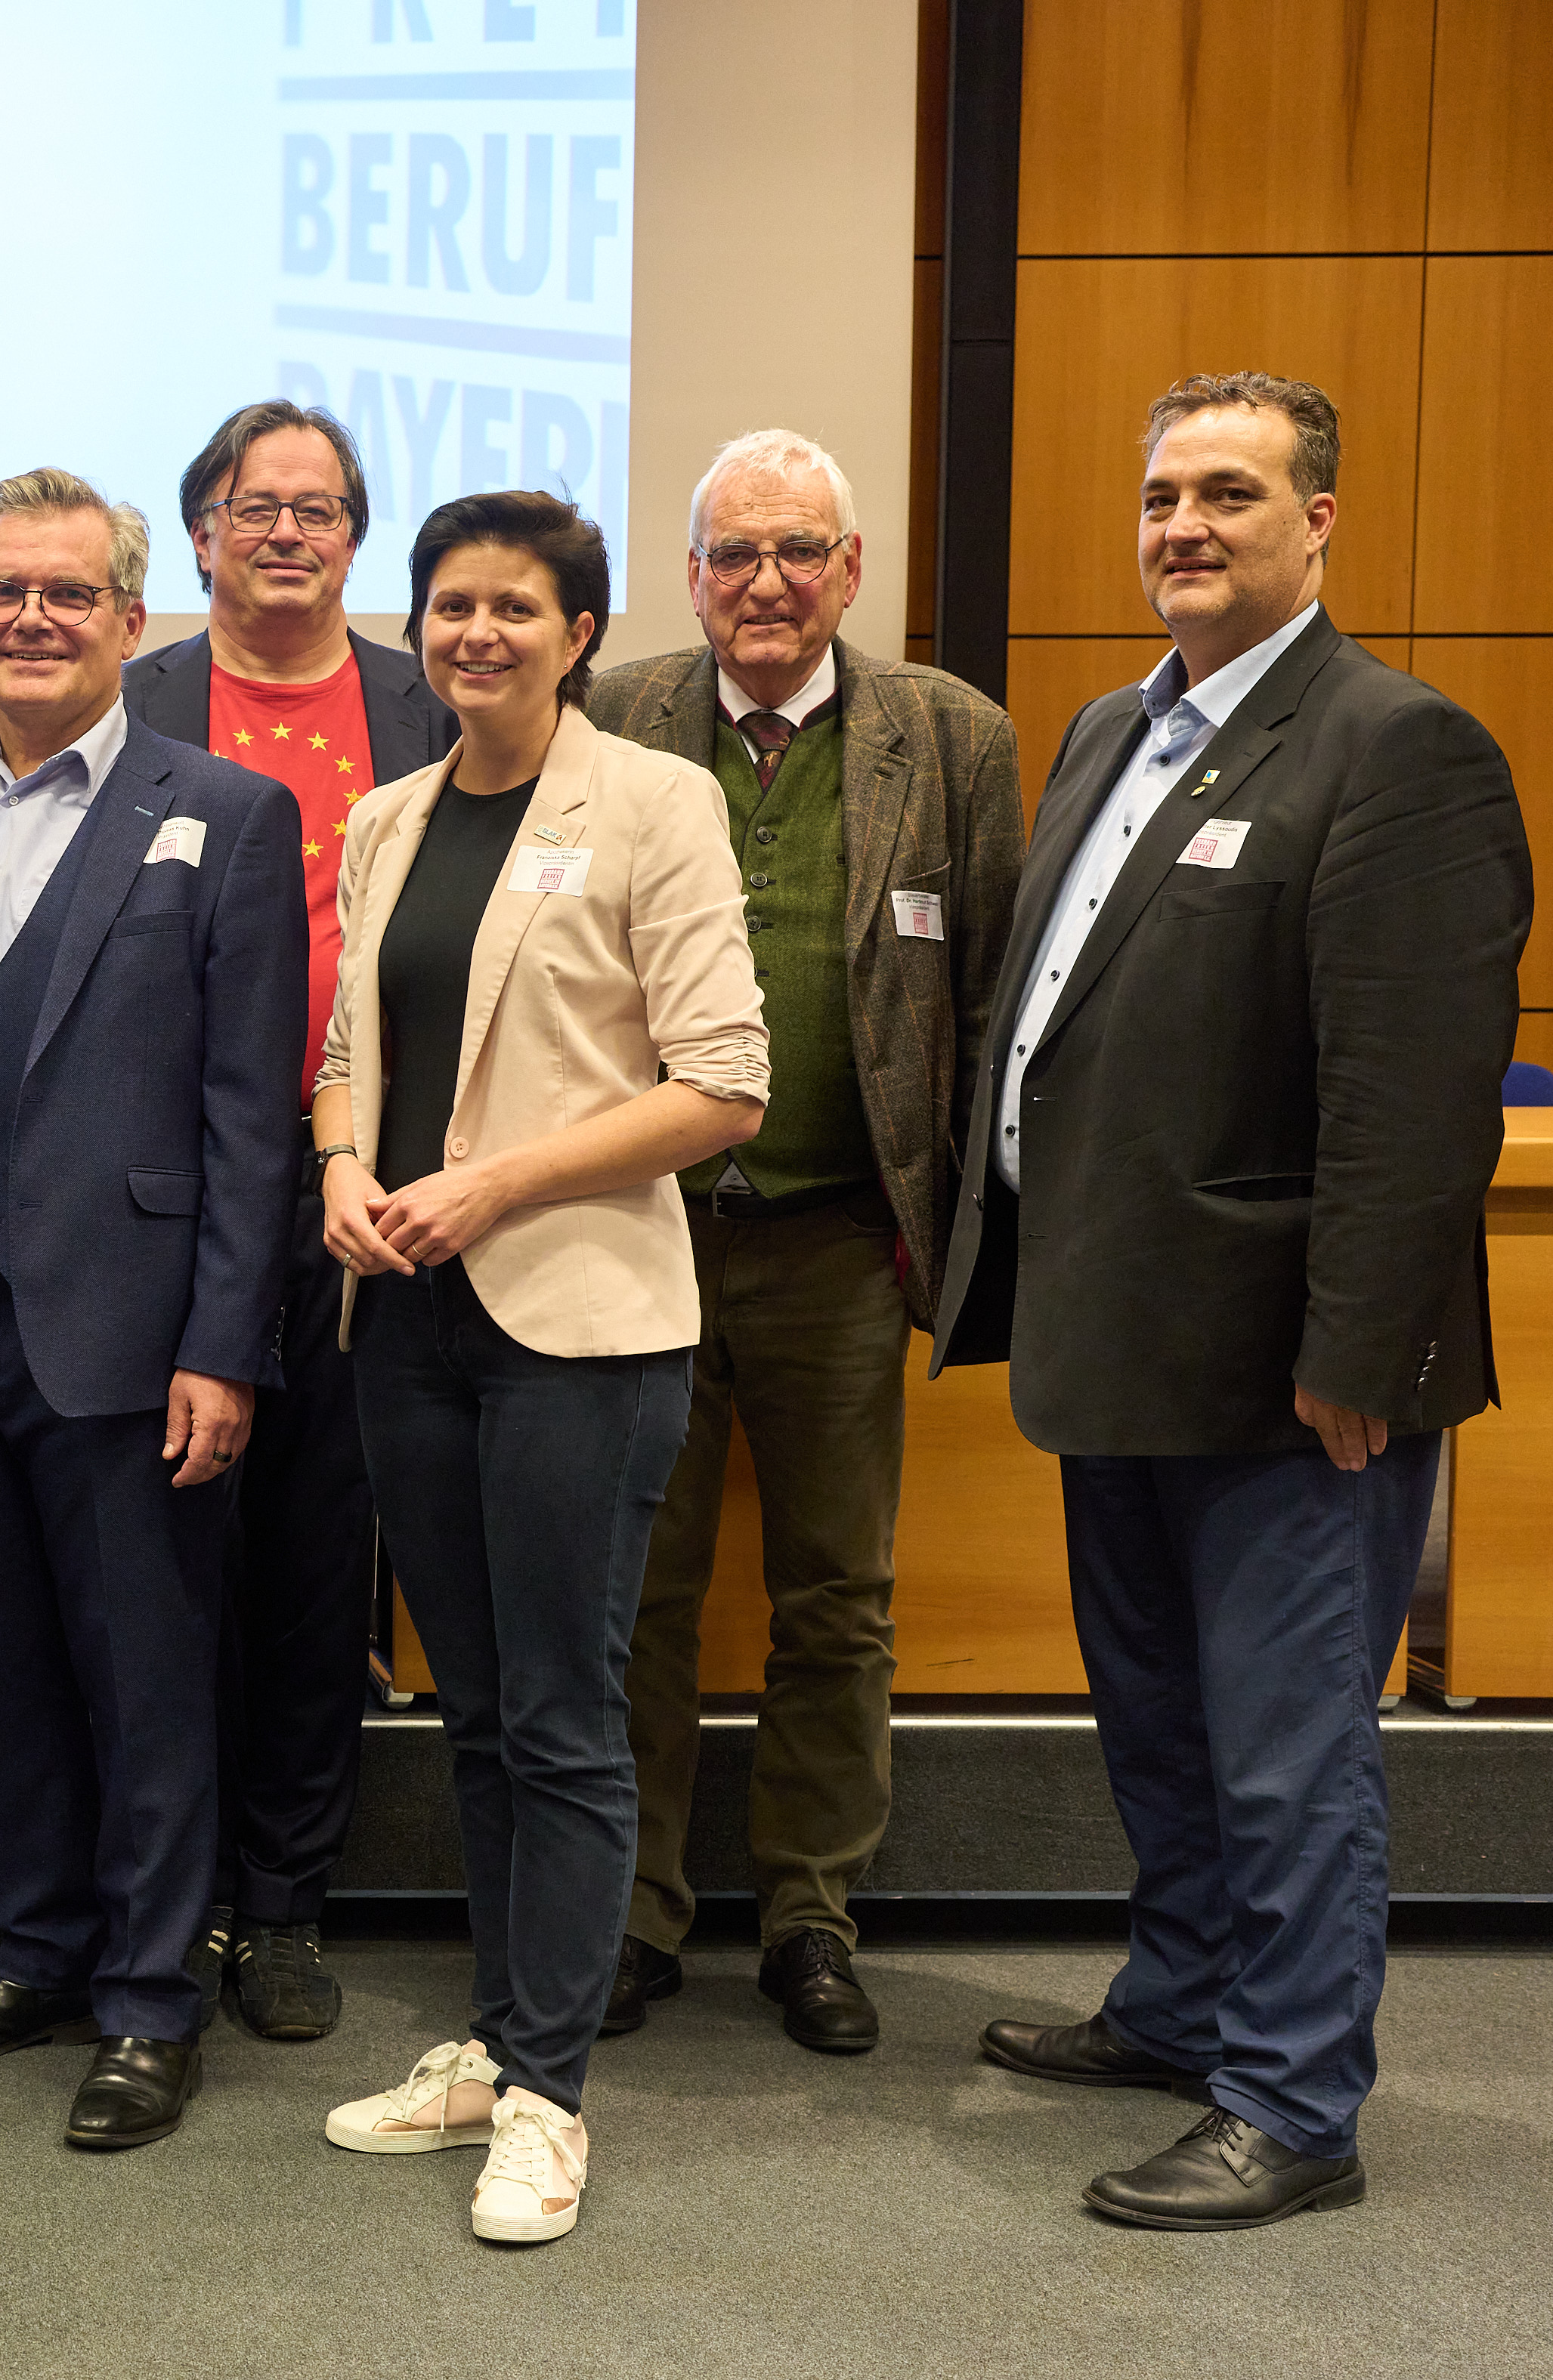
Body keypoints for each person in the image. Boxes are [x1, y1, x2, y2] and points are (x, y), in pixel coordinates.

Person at [932, 372, 1528, 2230]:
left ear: (1318, 521)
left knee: (1287, 1756)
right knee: (1160, 1725)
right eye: (1162, 495)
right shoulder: (1116, 729)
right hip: (1118, 1336)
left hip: (1290, 1376)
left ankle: (1292, 2102)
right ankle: (1181, 2007)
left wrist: (1362, 1351)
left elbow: (1413, 1100)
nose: (1183, 527)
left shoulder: (1395, 745)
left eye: (1229, 495)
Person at [310, 492, 765, 2244]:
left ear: (578, 634)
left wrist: (494, 1179)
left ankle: (553, 2096)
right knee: (481, 1715)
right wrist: (343, 1172)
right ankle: (503, 2046)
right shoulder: (386, 817)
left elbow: (725, 1084)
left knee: (567, 1720)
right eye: (446, 606)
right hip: (408, 1327)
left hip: (579, 1327)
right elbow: (350, 1052)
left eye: (512, 608)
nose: (472, 634)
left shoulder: (656, 803)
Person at [0, 468, 303, 2152]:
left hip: (134, 1333)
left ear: (126, 616)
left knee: (149, 1678)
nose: (28, 618)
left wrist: (221, 1344)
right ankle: (36, 1953)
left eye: (64, 593)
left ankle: (152, 1999)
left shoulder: (228, 816)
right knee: (6, 1666)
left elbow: (253, 1119)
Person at [580, 430, 1026, 2052]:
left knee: (838, 1594)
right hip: (636, 1231)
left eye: (797, 552)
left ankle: (809, 1916)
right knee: (635, 1592)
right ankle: (628, 1912)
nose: (763, 583)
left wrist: (957, 1237)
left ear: (848, 572)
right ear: (688, 577)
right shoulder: (611, 713)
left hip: (843, 1245)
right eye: (730, 554)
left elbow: (986, 1004)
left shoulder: (948, 736)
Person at [122, 400, 454, 2040]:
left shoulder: (424, 703)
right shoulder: (129, 706)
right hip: (168, 1199)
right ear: (198, 533)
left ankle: (285, 1903)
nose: (285, 533)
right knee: (179, 1563)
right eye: (254, 507)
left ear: (352, 537)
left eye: (318, 509)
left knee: (322, 1563)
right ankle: (165, 1910)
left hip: (366, 1196)